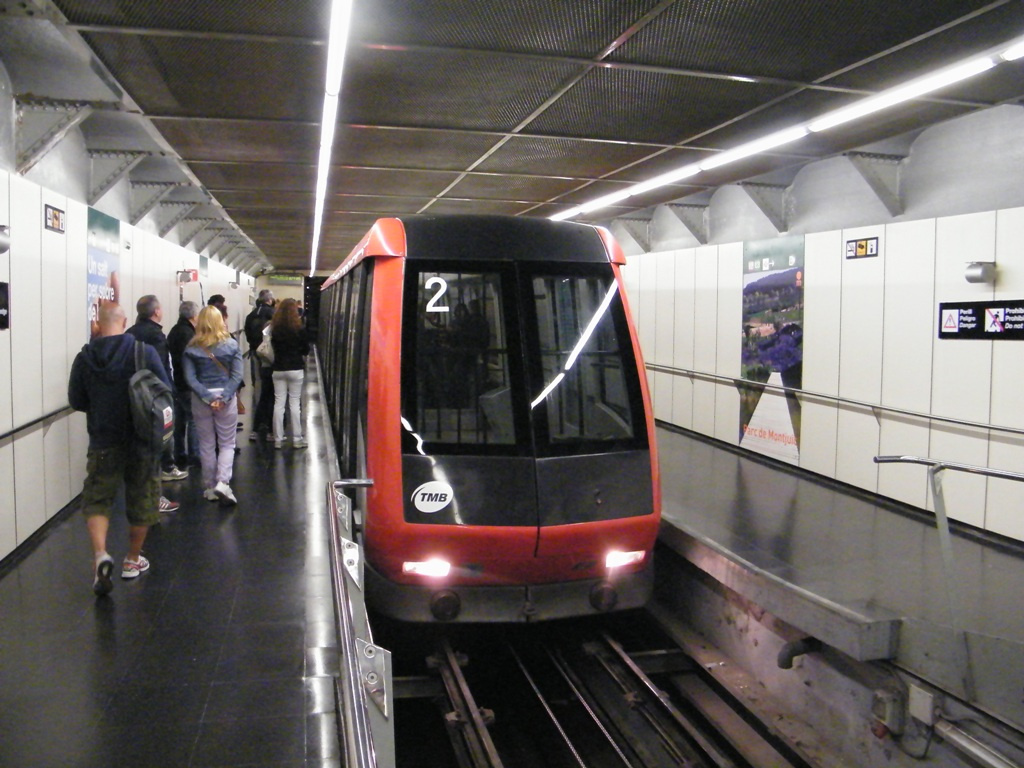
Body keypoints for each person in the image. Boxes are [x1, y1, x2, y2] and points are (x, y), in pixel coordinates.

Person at [68, 302, 169, 594]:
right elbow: (164, 391)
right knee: (142, 500)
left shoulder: (84, 358)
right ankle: (132, 559)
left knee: (98, 498)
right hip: (141, 440)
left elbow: (77, 400)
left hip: (102, 440)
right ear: (124, 322)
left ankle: (101, 553)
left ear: (97, 325)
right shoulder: (143, 352)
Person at [125, 294, 184, 515]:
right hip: (154, 400)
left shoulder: (130, 333)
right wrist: (169, 394)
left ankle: (142, 496)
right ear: (156, 312)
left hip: (135, 397)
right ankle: (153, 497)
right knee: (158, 445)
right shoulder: (156, 336)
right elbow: (161, 370)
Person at [182, 306, 243, 505]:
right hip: (225, 399)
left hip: (201, 400)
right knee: (227, 443)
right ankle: (223, 483)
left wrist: (207, 397)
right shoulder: (232, 345)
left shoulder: (191, 348)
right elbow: (237, 375)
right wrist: (223, 398)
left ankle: (209, 487)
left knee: (206, 444)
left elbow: (190, 379)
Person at [269, 297, 310, 449]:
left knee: (278, 404)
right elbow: (306, 349)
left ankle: (278, 439)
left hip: (278, 368)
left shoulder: (275, 328)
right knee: (294, 404)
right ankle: (297, 439)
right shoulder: (299, 328)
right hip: (295, 368)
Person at [166, 301, 200, 468]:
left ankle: (179, 454)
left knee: (179, 421)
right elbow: (191, 359)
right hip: (188, 383)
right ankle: (194, 455)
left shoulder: (174, 331)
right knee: (194, 419)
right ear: (193, 316)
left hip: (177, 382)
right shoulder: (189, 334)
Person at [244, 289, 275, 441]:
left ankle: (256, 426)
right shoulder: (273, 313)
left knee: (259, 387)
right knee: (271, 392)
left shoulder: (251, 314)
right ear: (270, 299)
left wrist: (253, 346)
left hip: (255, 353)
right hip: (269, 357)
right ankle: (270, 428)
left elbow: (247, 332)